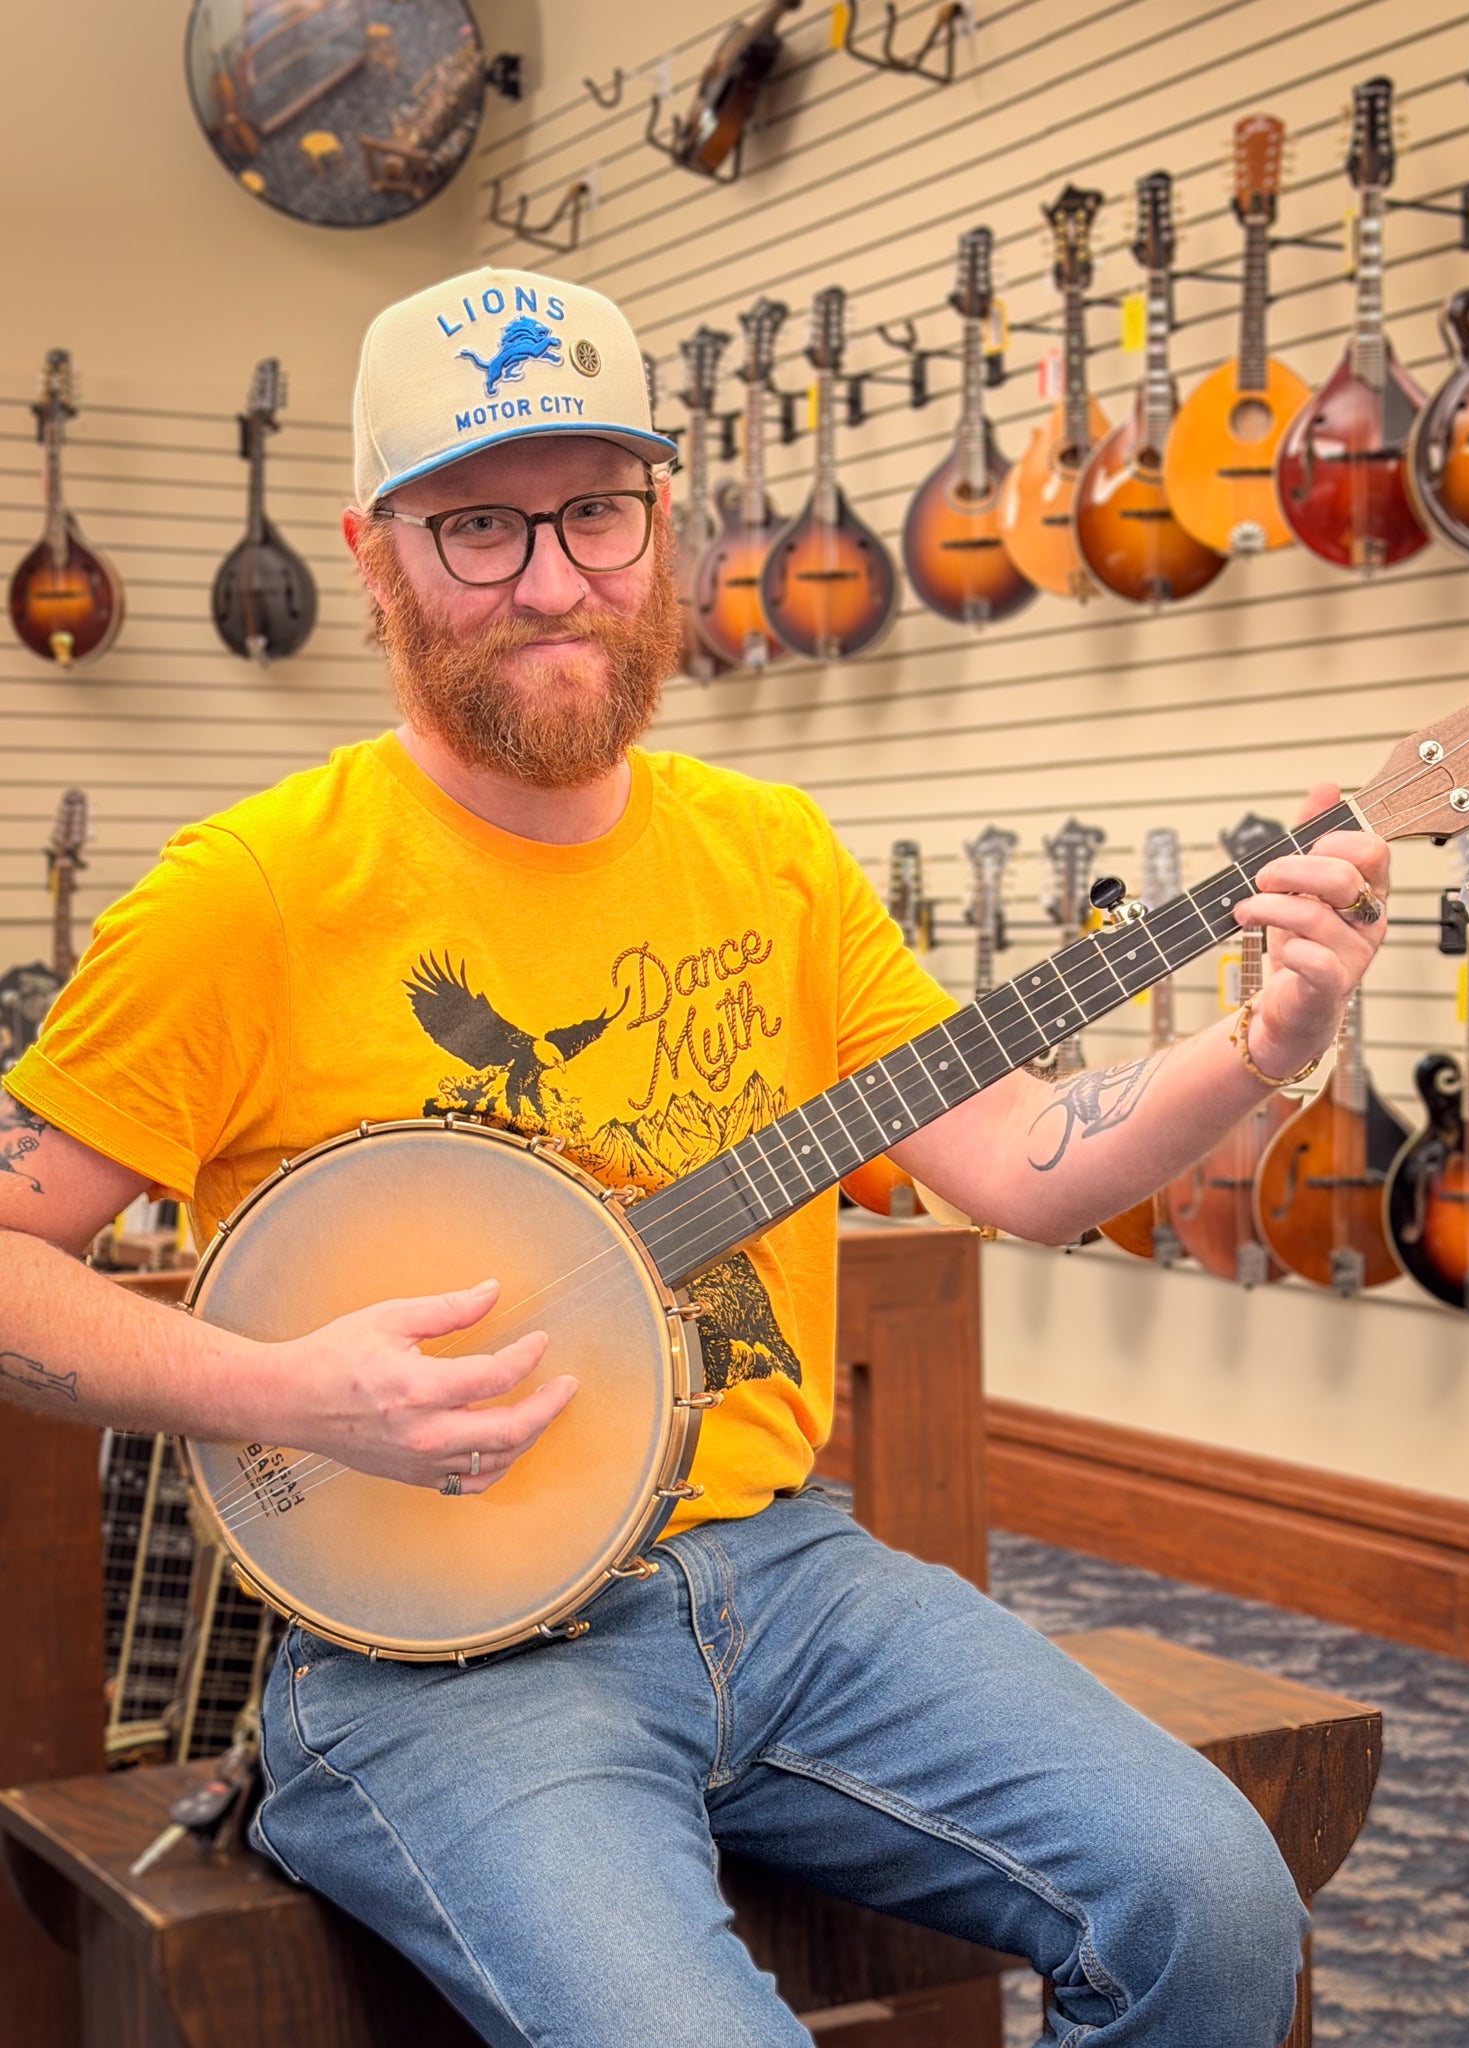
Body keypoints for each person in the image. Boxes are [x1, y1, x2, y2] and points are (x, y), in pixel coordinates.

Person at [0, 268, 1388, 2047]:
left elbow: (1021, 1159)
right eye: (477, 526)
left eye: (596, 511)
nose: (551, 580)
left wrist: (1262, 1047)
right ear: (372, 555)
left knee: (1210, 1903)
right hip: (441, 1659)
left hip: (790, 1579)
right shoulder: (244, 897)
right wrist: (286, 1391)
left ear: (663, 524)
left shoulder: (772, 854)